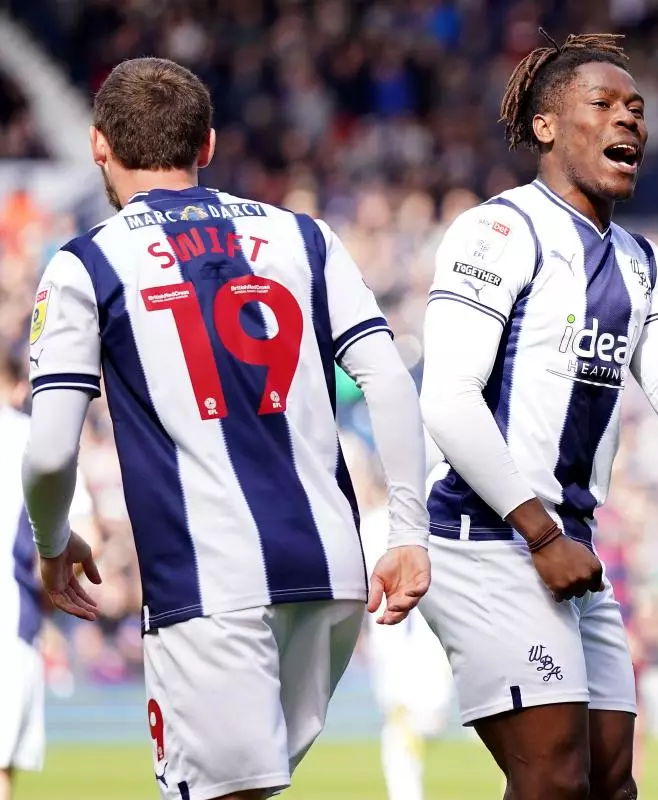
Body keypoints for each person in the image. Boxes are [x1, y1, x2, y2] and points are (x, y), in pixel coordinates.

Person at [20, 57, 431, 800]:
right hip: (331, 574)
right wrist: (408, 532)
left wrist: (51, 543)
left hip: (209, 584)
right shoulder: (305, 237)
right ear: (207, 144)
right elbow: (390, 380)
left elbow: (49, 452)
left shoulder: (87, 263)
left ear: (98, 145)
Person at [416, 32, 658, 800]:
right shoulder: (499, 231)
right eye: (604, 103)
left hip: (569, 549)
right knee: (552, 781)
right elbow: (447, 398)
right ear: (545, 126)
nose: (629, 119)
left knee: (611, 784)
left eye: (637, 108)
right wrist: (541, 535)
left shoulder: (643, 262)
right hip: (488, 538)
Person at [0, 353, 95, 800]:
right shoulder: (30, 439)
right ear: (21, 386)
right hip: (9, 621)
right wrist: (53, 587)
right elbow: (85, 534)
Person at [353, 448, 454, 800]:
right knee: (403, 725)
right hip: (410, 636)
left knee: (417, 721)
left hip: (401, 634)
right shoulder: (422, 522)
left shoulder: (373, 525)